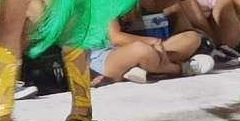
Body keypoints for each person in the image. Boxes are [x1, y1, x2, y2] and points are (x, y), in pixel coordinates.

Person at [85, 20, 214, 84]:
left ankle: (145, 69)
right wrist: (152, 42)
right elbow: (116, 38)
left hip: (123, 51)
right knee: (141, 50)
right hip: (98, 59)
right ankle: (178, 69)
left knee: (191, 38)